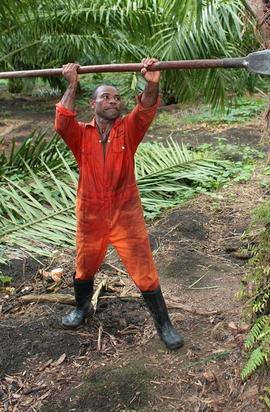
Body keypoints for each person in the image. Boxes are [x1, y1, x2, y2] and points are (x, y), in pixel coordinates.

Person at [53, 57, 184, 350]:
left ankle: (164, 324)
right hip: (91, 215)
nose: (113, 101)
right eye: (106, 97)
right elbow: (62, 121)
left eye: (117, 97)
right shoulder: (81, 134)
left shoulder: (128, 129)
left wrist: (151, 84)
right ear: (93, 103)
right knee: (84, 266)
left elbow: (146, 108)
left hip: (126, 214)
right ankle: (82, 307)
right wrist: (72, 83)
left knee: (144, 269)